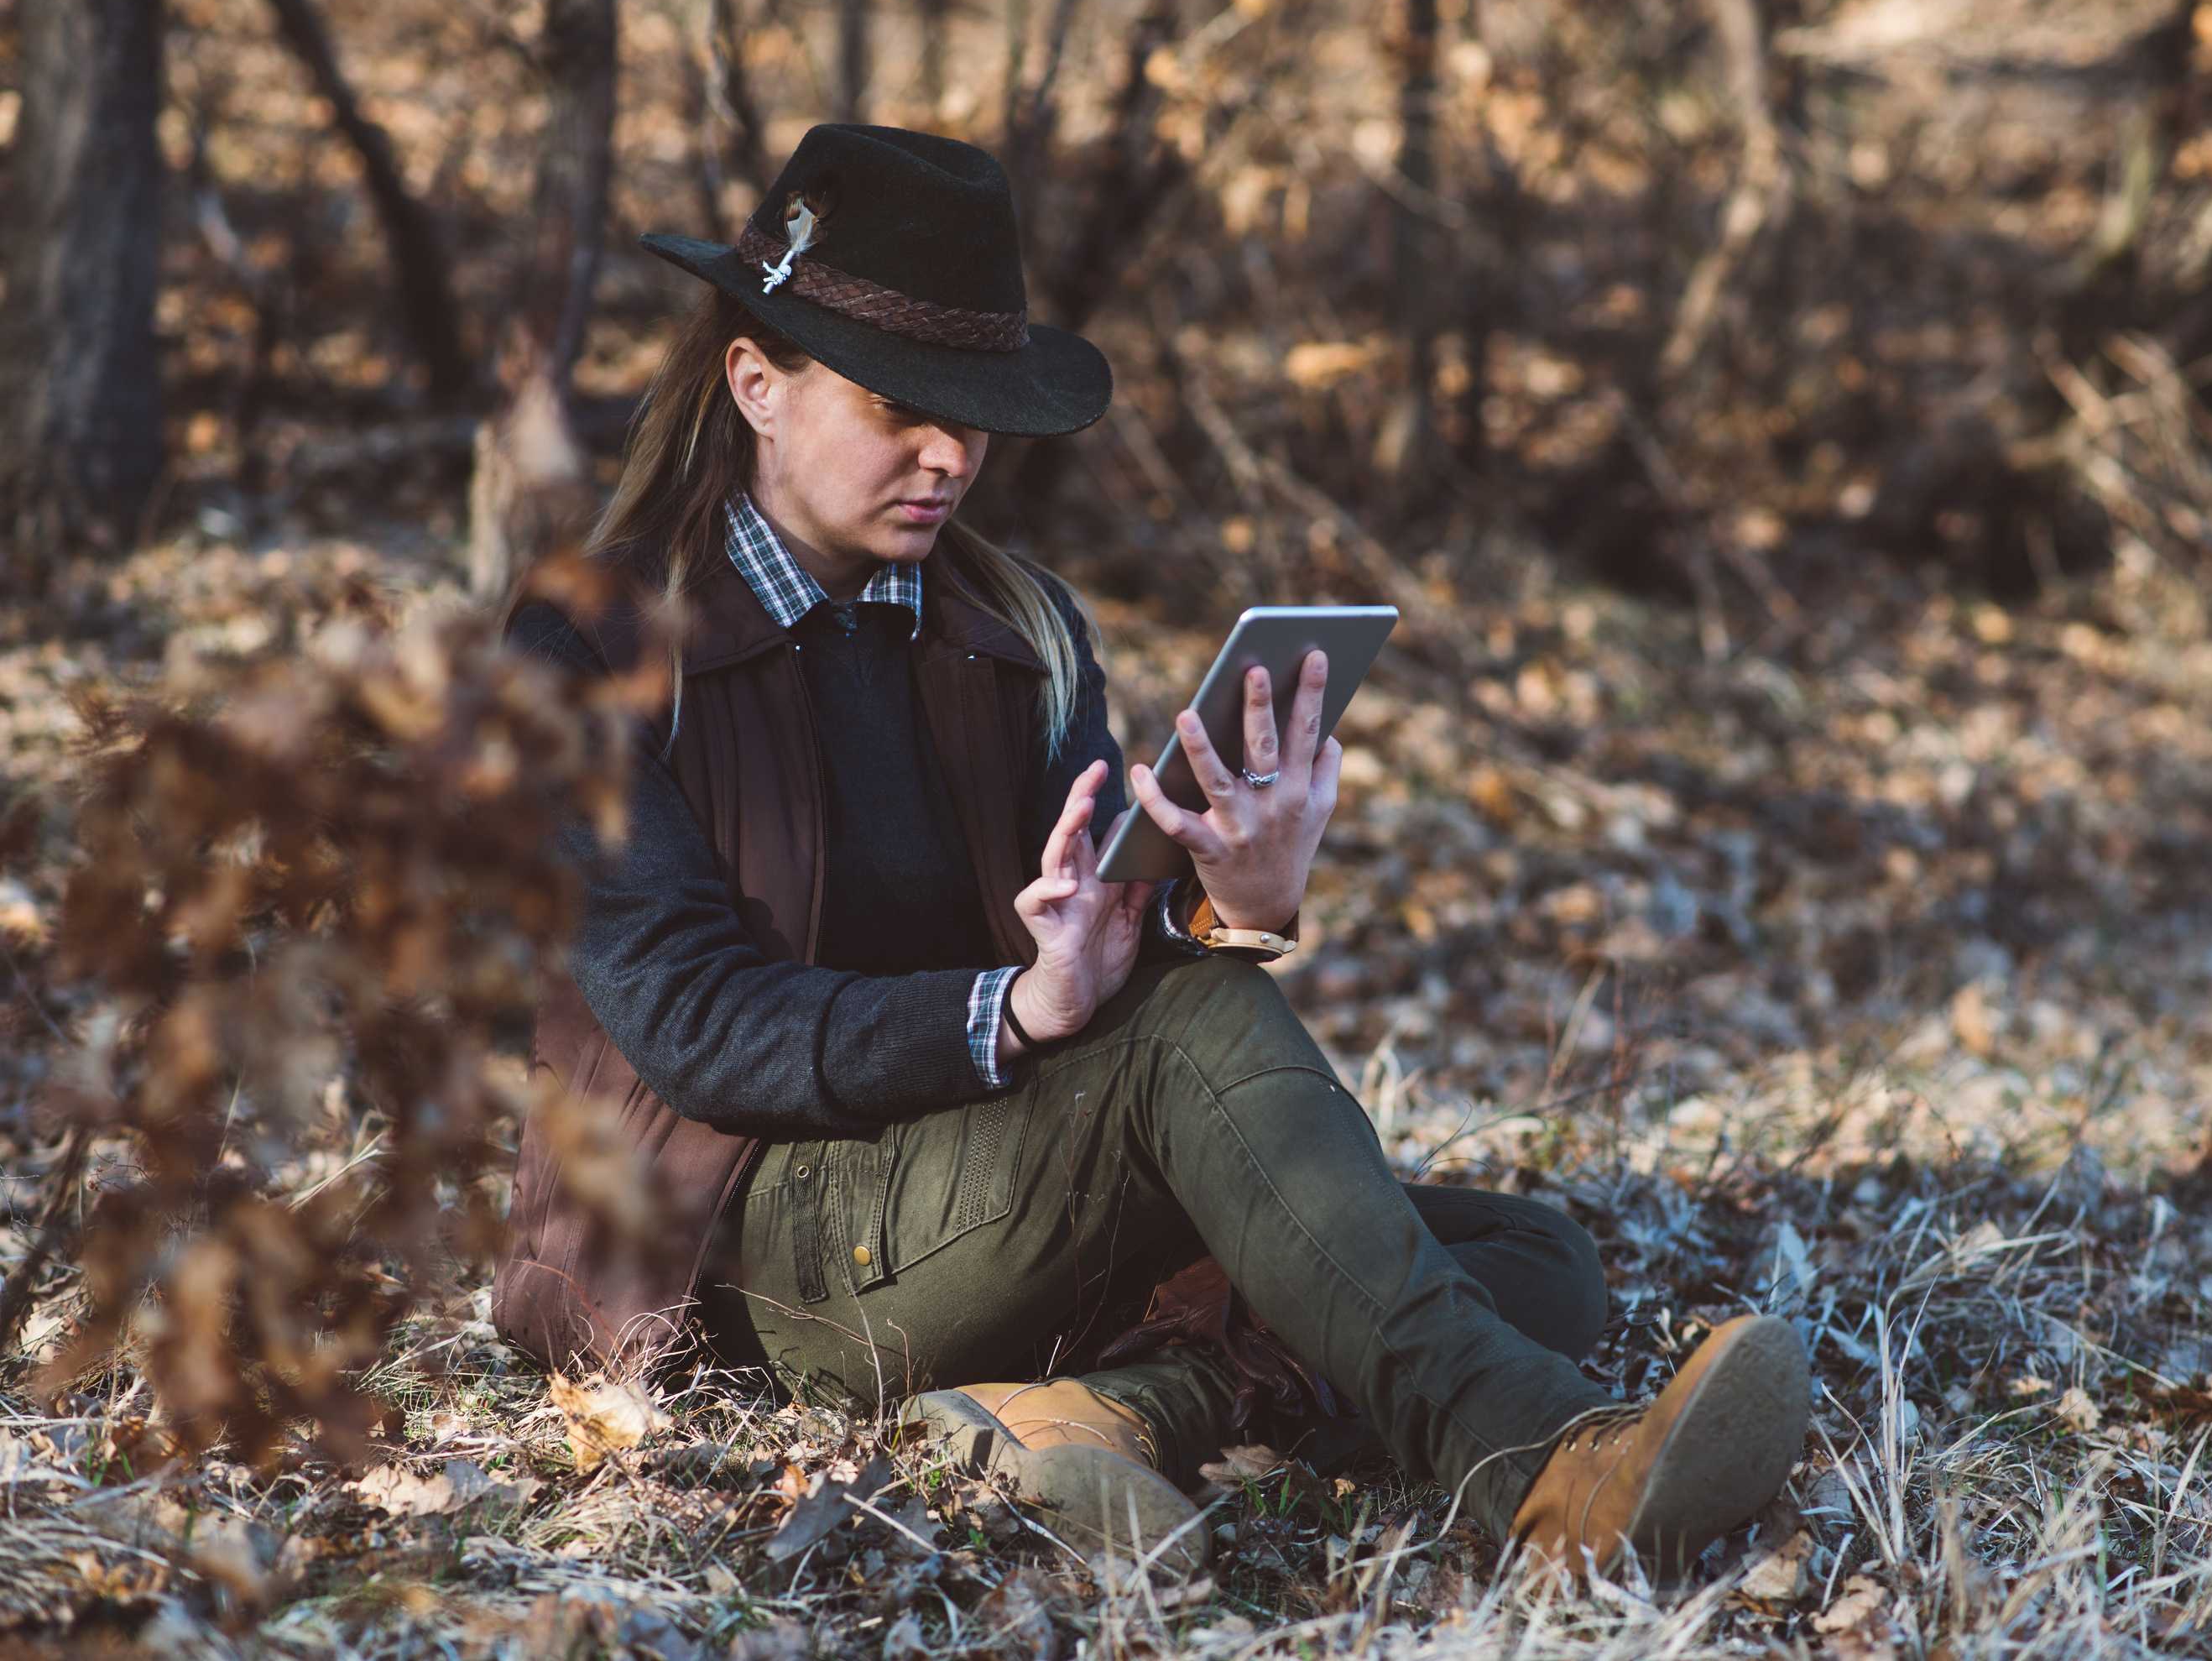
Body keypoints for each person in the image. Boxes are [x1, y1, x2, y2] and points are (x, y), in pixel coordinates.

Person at [494, 123, 1808, 1585]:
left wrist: (1238, 904)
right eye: (900, 407)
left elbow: (1112, 980)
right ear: (757, 381)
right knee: (1350, 1214)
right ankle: (1544, 1465)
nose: (951, 456)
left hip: (996, 1190)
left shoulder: (1023, 631)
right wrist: (1011, 1013)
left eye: (977, 415)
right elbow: (691, 1024)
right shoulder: (592, 648)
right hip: (746, 1249)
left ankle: (1081, 1418)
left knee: (1531, 1259)